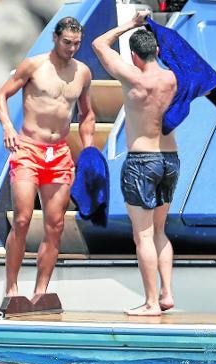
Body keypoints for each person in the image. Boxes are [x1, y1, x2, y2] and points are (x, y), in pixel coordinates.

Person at [0, 16, 95, 298]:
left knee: (56, 225)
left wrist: (87, 149)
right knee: (23, 219)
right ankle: (11, 289)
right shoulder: (34, 65)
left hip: (59, 153)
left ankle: (40, 292)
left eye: (76, 44)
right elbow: (1, 96)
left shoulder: (83, 73)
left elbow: (88, 115)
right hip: (28, 149)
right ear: (55, 38)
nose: (71, 48)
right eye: (67, 42)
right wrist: (7, 127)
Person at [92, 11, 178, 316]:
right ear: (156, 51)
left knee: (142, 235)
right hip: (170, 160)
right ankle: (167, 294)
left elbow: (99, 44)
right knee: (160, 231)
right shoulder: (172, 78)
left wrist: (130, 24)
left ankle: (152, 302)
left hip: (142, 160)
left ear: (133, 55)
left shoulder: (132, 77)